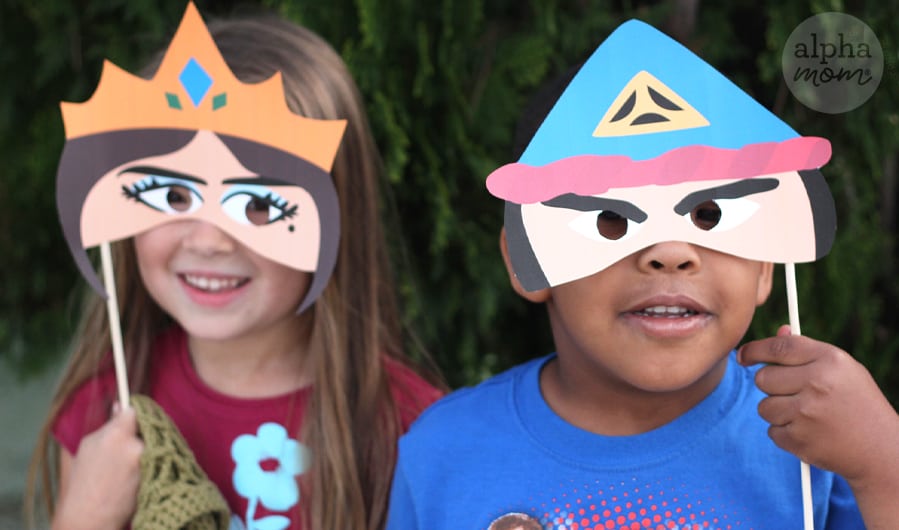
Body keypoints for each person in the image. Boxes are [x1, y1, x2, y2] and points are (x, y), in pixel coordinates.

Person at [386, 20, 899, 530]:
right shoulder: (443, 453)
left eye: (709, 215)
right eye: (611, 220)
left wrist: (884, 468)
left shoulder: (825, 447)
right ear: (529, 260)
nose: (671, 252)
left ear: (766, 265)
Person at [26, 5, 443, 530]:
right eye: (173, 194)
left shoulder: (411, 433)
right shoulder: (105, 414)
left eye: (258, 206)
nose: (209, 240)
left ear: (334, 218)